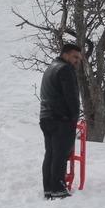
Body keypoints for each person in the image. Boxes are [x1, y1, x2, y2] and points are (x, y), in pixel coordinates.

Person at [40, 43, 82, 199]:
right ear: (65, 54)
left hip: (46, 117)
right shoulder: (65, 69)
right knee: (60, 154)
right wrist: (73, 117)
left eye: (79, 58)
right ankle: (58, 188)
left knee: (50, 154)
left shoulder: (51, 67)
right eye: (75, 57)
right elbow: (71, 97)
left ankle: (49, 189)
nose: (78, 61)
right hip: (60, 119)